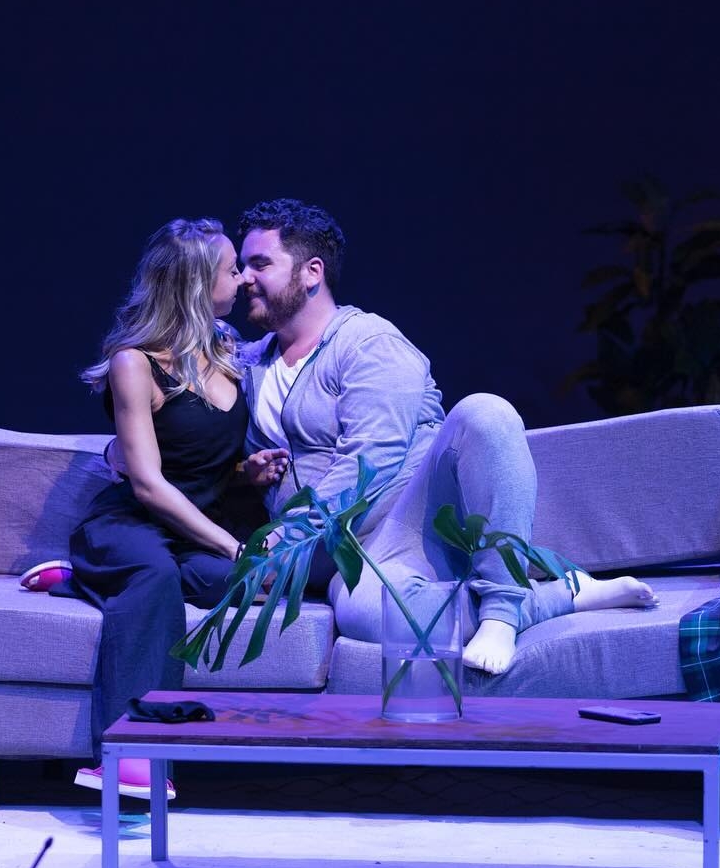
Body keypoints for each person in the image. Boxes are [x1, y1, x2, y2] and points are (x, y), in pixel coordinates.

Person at [236, 198, 658, 676]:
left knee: (485, 412)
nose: (244, 277)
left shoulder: (368, 342)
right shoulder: (253, 363)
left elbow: (371, 460)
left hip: (407, 518)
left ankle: (502, 610)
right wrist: (246, 473)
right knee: (370, 614)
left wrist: (286, 535)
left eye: (260, 264)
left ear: (312, 272)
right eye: (241, 265)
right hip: (345, 551)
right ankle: (559, 596)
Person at [69, 217, 286, 798]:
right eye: (232, 270)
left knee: (253, 587)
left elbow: (200, 463)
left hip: (190, 534)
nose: (243, 280)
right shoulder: (135, 363)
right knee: (154, 575)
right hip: (132, 525)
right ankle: (131, 754)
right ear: (196, 283)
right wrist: (231, 545)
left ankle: (80, 580)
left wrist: (244, 473)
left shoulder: (227, 349)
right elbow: (147, 484)